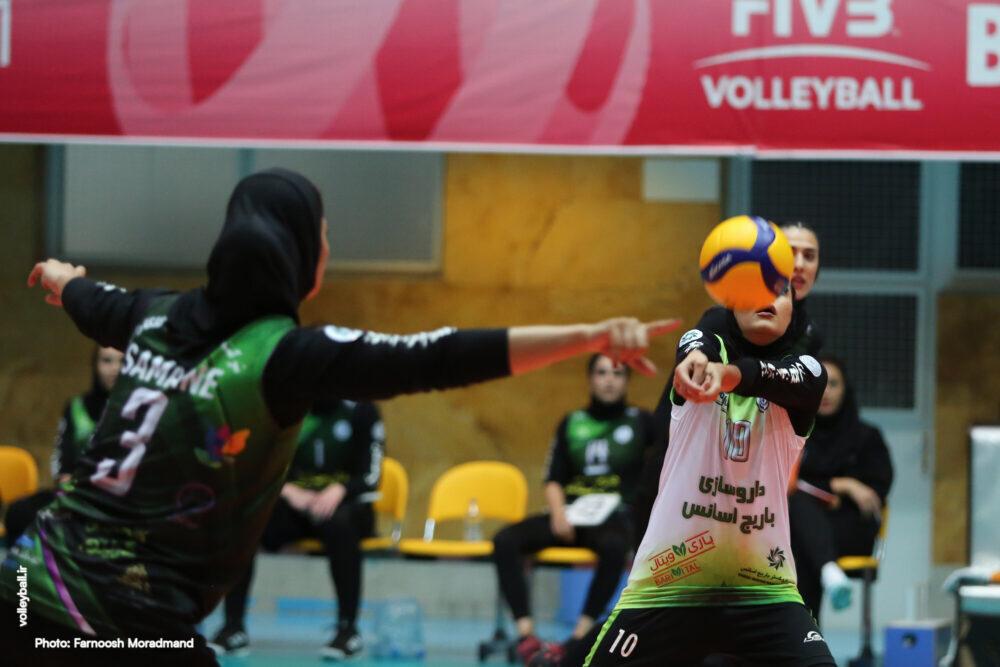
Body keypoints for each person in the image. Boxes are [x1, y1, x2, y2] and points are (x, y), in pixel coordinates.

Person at [0, 168, 679, 667]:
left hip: (24, 582)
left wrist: (60, 277)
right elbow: (439, 355)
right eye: (322, 234)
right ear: (300, 255)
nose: (327, 245)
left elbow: (86, 296)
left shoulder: (150, 313)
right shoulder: (286, 357)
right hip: (123, 617)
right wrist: (587, 335)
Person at [583, 287, 836, 667]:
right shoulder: (700, 345)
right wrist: (698, 366)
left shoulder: (808, 372)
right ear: (732, 301)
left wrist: (729, 375)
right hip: (667, 586)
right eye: (754, 288)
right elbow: (696, 348)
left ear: (793, 308)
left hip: (766, 593)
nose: (767, 298)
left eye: (779, 291)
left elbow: (776, 377)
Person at [494, 354, 658, 663]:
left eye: (617, 374)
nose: (609, 380)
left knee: (616, 546)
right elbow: (553, 478)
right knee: (505, 540)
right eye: (602, 373)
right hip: (570, 514)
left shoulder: (642, 421)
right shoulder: (572, 422)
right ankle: (527, 636)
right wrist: (558, 514)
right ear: (590, 379)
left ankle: (578, 637)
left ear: (627, 381)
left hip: (614, 516)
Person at [209, 396, 385, 659]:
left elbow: (372, 474)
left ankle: (348, 630)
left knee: (342, 526)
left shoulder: (362, 409)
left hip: (344, 506)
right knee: (245, 521)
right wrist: (288, 489)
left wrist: (341, 489)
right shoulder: (289, 406)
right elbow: (261, 463)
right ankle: (233, 628)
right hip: (295, 503)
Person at [789, 356, 893, 623]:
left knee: (799, 543)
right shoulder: (796, 436)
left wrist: (834, 491)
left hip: (852, 524)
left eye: (833, 384)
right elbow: (787, 484)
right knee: (797, 514)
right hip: (804, 524)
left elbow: (877, 489)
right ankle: (828, 572)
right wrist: (841, 485)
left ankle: (807, 637)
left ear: (845, 389)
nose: (826, 392)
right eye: (819, 384)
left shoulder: (867, 436)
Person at [3, 346, 123, 542]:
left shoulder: (138, 409)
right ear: (95, 365)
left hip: (117, 497)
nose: (114, 368)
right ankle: (24, 564)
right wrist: (66, 481)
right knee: (20, 513)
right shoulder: (77, 406)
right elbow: (62, 456)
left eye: (122, 361)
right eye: (107, 361)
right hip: (75, 492)